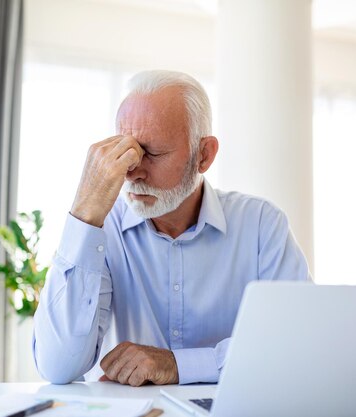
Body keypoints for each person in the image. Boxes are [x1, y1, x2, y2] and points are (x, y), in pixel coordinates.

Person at [32, 70, 311, 387]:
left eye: (150, 153)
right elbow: (57, 367)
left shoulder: (261, 226)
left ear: (203, 156)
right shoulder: (100, 230)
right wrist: (84, 212)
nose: (132, 171)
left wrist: (180, 365)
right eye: (125, 150)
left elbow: (296, 343)